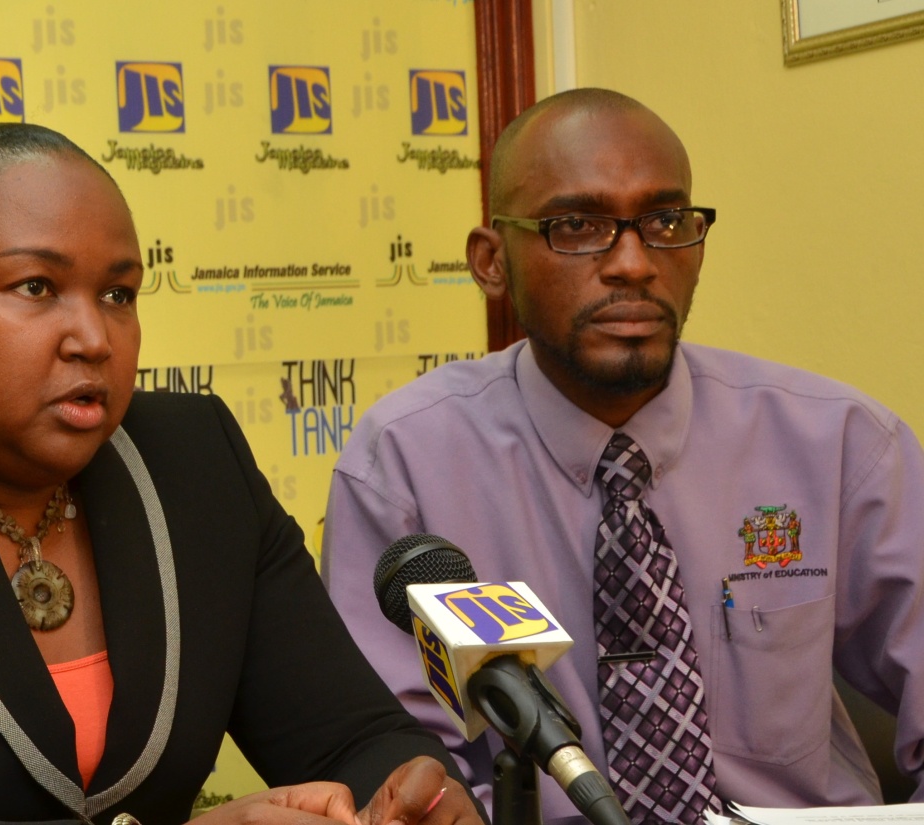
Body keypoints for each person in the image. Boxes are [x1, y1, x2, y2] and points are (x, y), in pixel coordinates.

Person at [0, 123, 485, 825]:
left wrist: (411, 788)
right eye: (36, 287)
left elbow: (348, 734)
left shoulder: (195, 460)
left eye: (118, 293)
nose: (93, 336)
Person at [321, 88, 924, 822]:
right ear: (491, 262)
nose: (634, 263)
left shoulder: (839, 446)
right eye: (577, 225)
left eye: (666, 221)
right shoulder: (406, 465)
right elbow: (394, 751)